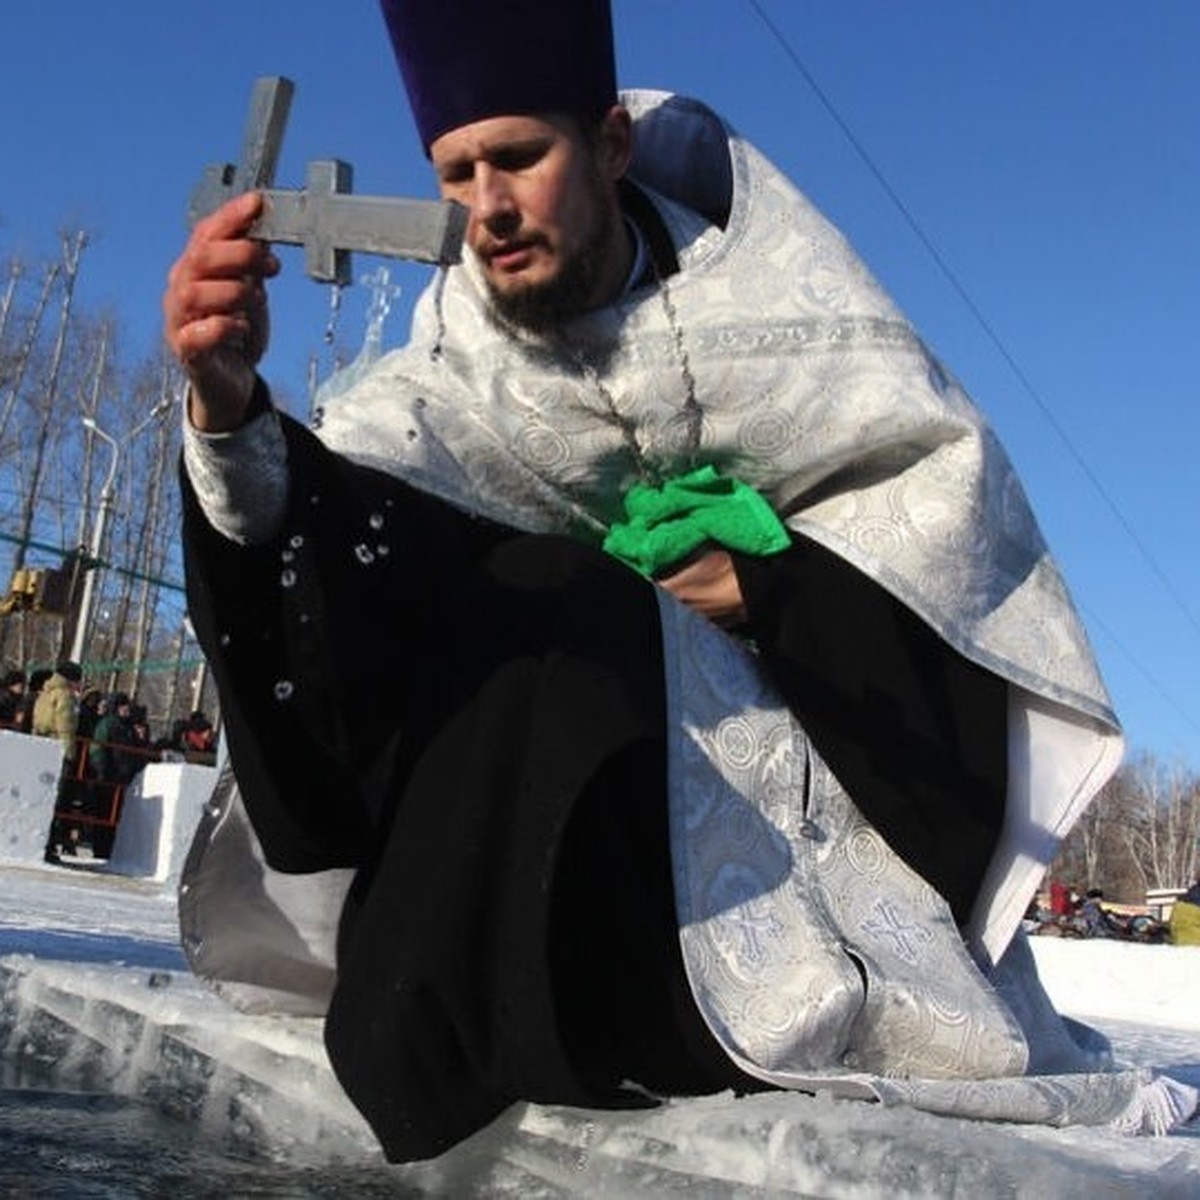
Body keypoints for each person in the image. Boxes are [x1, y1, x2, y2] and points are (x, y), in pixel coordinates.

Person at [163, 0, 1194, 1162]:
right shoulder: (440, 394)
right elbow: (338, 573)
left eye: (519, 157)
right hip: (561, 892)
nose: (487, 209)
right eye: (457, 173)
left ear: (606, 147)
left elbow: (949, 557)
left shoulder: (791, 319)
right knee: (525, 583)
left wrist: (774, 587)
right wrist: (229, 409)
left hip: (808, 861)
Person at [32, 660, 84, 862]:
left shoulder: (46, 692)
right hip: (57, 750)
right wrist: (69, 754)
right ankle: (49, 844)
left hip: (41, 747)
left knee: (40, 797)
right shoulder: (65, 695)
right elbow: (66, 726)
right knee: (57, 799)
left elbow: (38, 721)